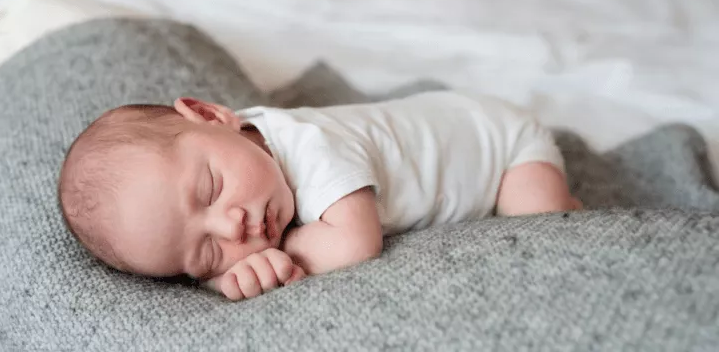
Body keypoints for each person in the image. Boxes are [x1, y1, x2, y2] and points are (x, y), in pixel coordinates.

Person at [58, 92, 582, 301]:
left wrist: (248, 269)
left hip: (499, 145)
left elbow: (355, 241)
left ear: (216, 116)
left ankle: (571, 202)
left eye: (211, 189)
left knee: (540, 228)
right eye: (207, 253)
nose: (231, 226)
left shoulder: (311, 146)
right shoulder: (240, 163)